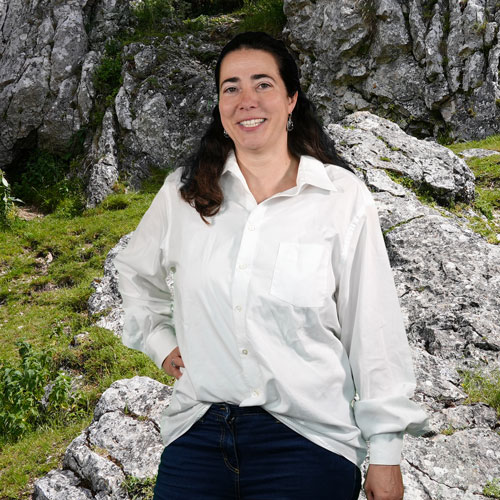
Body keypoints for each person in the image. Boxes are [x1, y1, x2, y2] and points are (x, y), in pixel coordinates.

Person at [114, 31, 428, 500]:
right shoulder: (183, 194)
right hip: (197, 434)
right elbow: (135, 273)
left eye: (262, 84)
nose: (246, 100)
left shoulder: (340, 197)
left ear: (291, 99)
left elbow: (373, 328)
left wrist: (385, 452)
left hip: (308, 442)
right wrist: (160, 340)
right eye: (231, 87)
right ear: (219, 106)